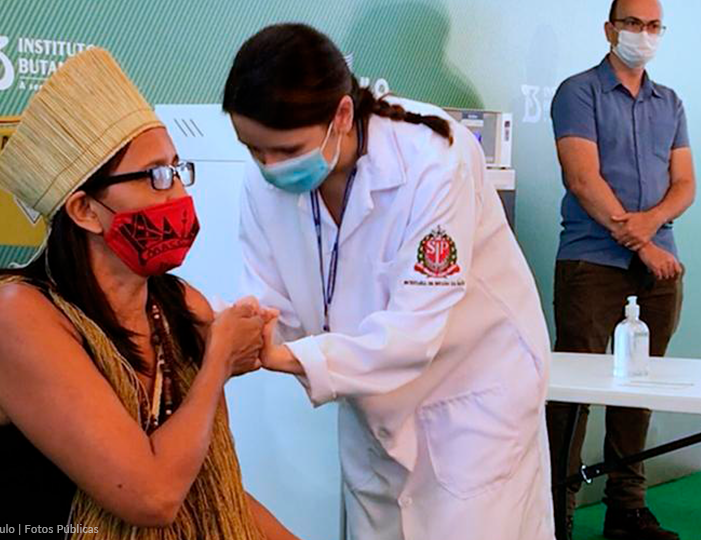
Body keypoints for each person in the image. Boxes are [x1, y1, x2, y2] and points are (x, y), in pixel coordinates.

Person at [0, 47, 298, 540]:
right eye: (155, 177)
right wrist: (216, 364)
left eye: (177, 169)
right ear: (84, 210)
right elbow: (151, 496)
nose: (178, 196)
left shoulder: (179, 306)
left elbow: (212, 489)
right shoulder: (15, 317)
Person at [222, 23, 554, 540]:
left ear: (343, 116)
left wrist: (282, 356)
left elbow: (414, 332)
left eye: (286, 151)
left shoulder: (433, 156)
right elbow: (271, 304)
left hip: (470, 399)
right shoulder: (263, 183)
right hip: (372, 406)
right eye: (253, 150)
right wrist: (240, 332)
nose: (269, 168)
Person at [547, 1, 695, 539]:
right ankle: (554, 514)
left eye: (653, 26)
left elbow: (685, 185)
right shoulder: (578, 92)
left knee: (638, 393)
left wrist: (651, 232)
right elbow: (583, 178)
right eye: (633, 23)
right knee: (572, 396)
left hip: (660, 268)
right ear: (610, 29)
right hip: (592, 261)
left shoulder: (670, 102)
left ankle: (626, 509)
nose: (643, 34)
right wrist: (642, 243)